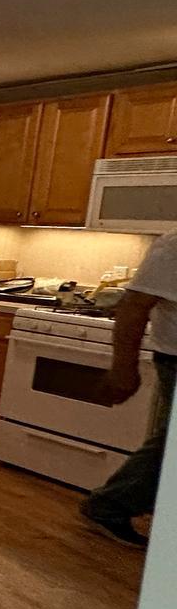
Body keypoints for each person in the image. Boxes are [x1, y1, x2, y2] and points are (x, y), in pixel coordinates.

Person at [80, 231, 177, 544]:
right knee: (171, 444)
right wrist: (124, 369)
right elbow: (133, 307)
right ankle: (110, 505)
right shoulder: (173, 245)